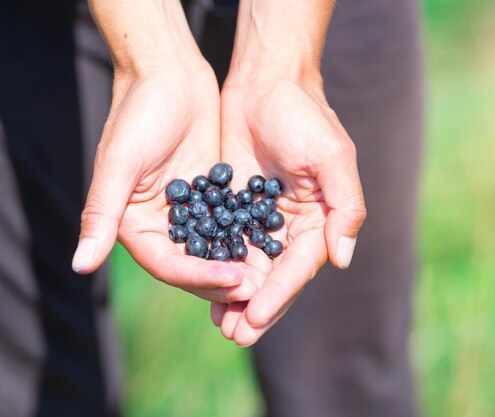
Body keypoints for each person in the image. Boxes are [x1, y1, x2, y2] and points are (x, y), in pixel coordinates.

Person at [0, 0, 423, 416]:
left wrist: (283, 69)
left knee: (342, 381)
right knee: (43, 371)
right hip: (49, 21)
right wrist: (153, 59)